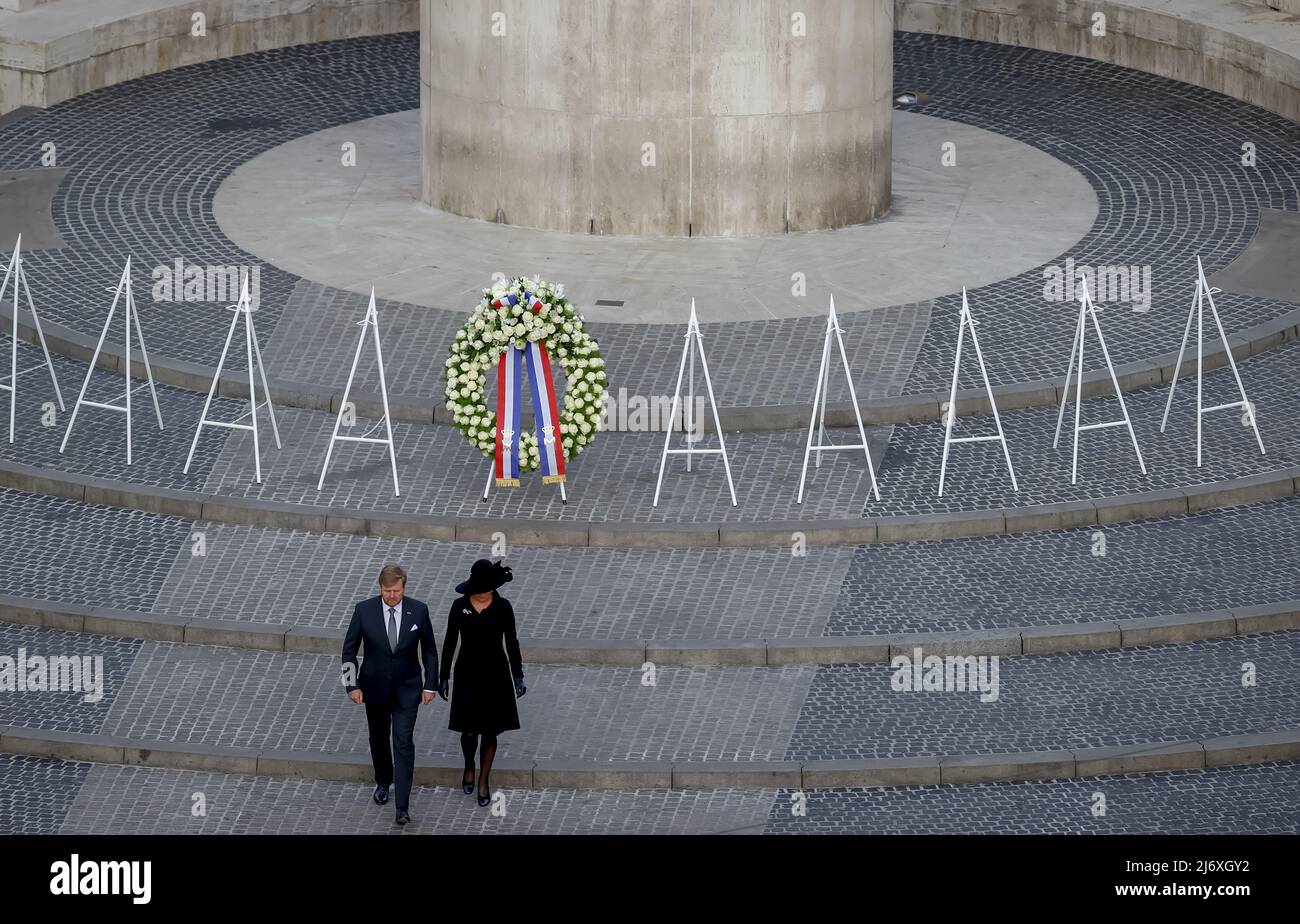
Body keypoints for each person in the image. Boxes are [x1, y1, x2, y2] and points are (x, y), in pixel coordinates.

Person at [341, 564, 440, 826]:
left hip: (408, 690)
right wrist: (351, 686)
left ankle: (402, 806)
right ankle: (383, 780)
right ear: (380, 588)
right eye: (387, 591)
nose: (392, 596)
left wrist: (431, 685)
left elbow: (430, 650)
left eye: (396, 591)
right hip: (374, 689)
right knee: (379, 738)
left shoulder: (418, 610)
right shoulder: (364, 610)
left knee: (403, 743)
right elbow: (349, 651)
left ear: (404, 587)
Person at [439, 558, 526, 807]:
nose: (480, 594)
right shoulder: (459, 607)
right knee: (468, 730)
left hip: (496, 674)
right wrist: (443, 676)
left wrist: (518, 676)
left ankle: (483, 780)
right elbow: (449, 643)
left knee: (490, 730)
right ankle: (469, 765)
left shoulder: (503, 608)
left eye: (483, 590)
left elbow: (512, 643)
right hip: (467, 672)